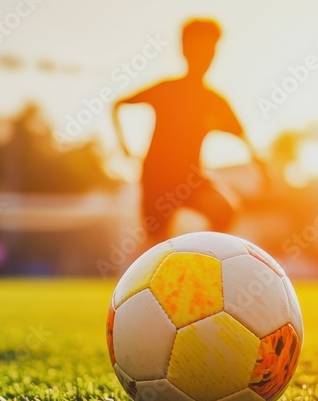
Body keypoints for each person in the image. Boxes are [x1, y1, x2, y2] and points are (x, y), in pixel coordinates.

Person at [113, 19, 267, 248]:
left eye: (210, 51)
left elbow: (242, 137)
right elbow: (118, 105)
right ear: (184, 49)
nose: (204, 57)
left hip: (192, 178)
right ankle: (152, 277)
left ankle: (204, 257)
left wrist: (261, 166)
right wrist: (124, 146)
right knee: (155, 244)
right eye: (198, 49)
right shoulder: (166, 90)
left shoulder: (214, 101)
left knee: (225, 210)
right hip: (157, 178)